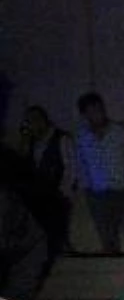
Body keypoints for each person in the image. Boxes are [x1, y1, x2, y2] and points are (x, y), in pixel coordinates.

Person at [76, 92, 124, 253]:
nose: (96, 114)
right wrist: (87, 187)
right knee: (107, 236)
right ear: (85, 115)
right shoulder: (83, 136)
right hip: (98, 194)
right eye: (91, 111)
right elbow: (81, 163)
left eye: (98, 109)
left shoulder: (119, 132)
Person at [19, 105, 76, 257]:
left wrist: (62, 192)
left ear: (43, 120)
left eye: (35, 120)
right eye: (29, 121)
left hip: (57, 193)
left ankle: (65, 254)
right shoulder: (32, 142)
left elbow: (70, 167)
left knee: (58, 228)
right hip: (38, 195)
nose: (32, 124)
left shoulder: (62, 139)